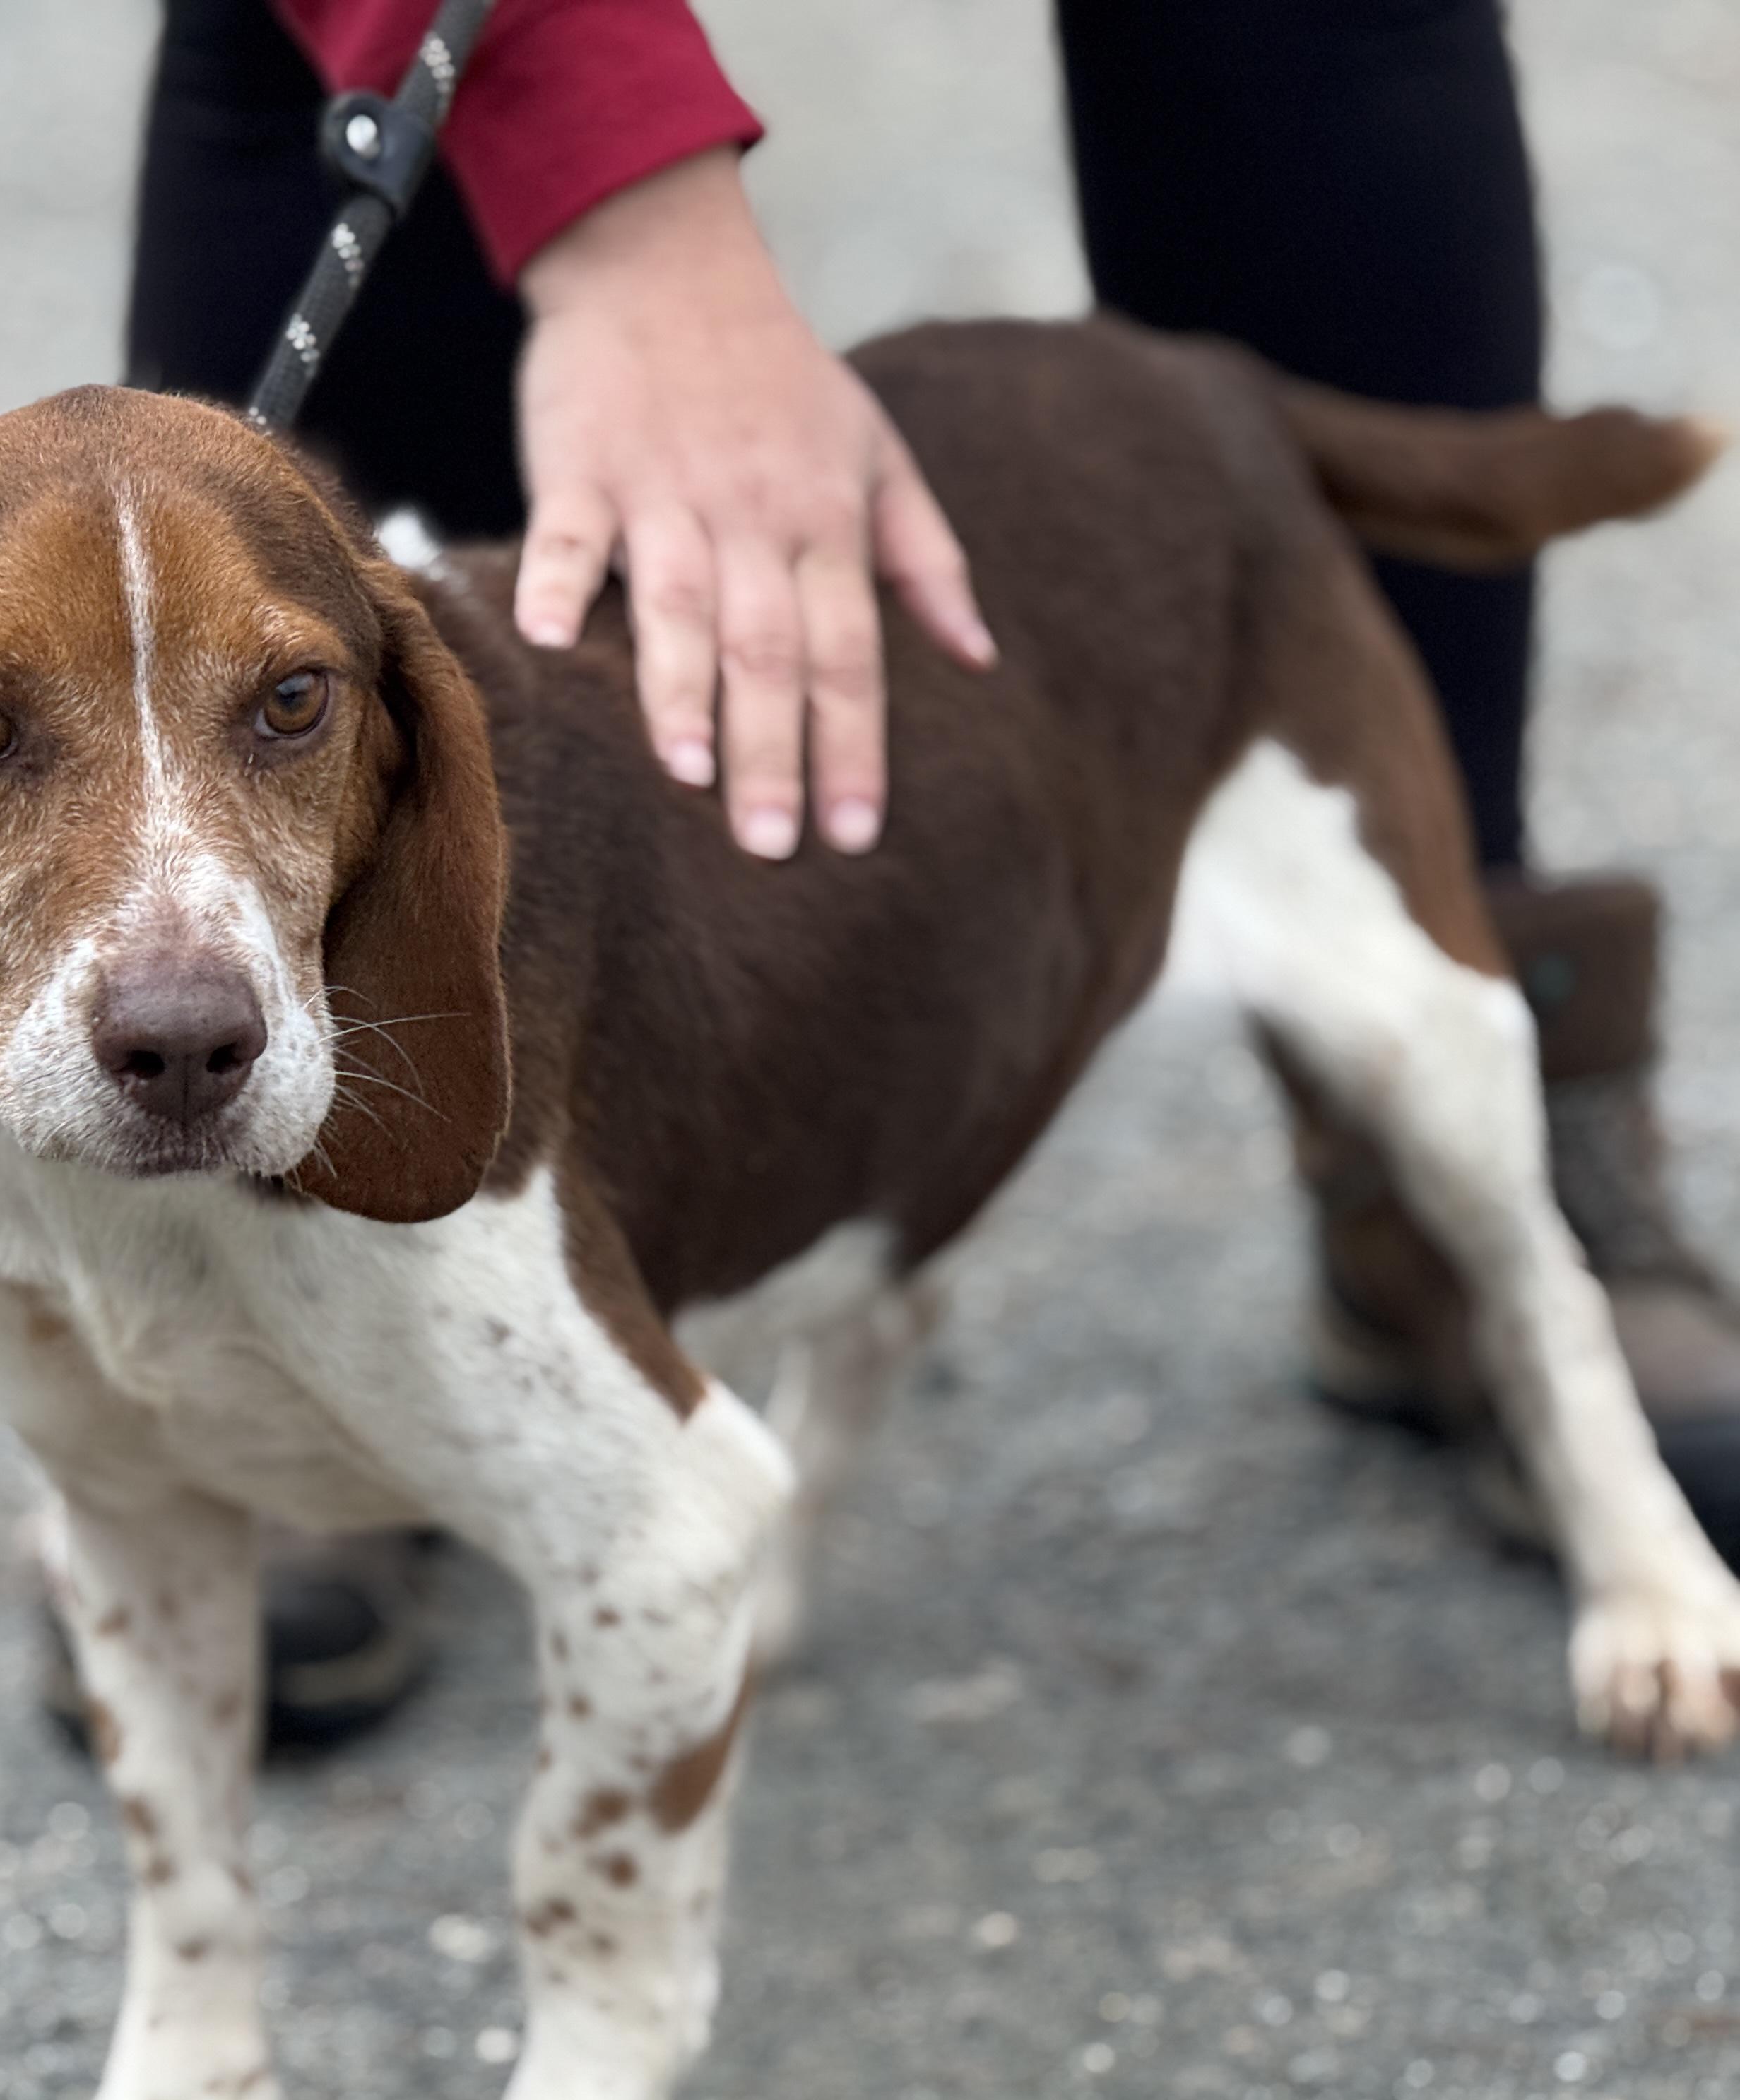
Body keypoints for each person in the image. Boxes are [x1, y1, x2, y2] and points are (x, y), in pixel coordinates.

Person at [98, 0, 1740, 1742]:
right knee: (330, 33)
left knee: (1438, 1053)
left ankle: (1518, 1283)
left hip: (1213, 597)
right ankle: (299, 1263)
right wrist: (625, 211)